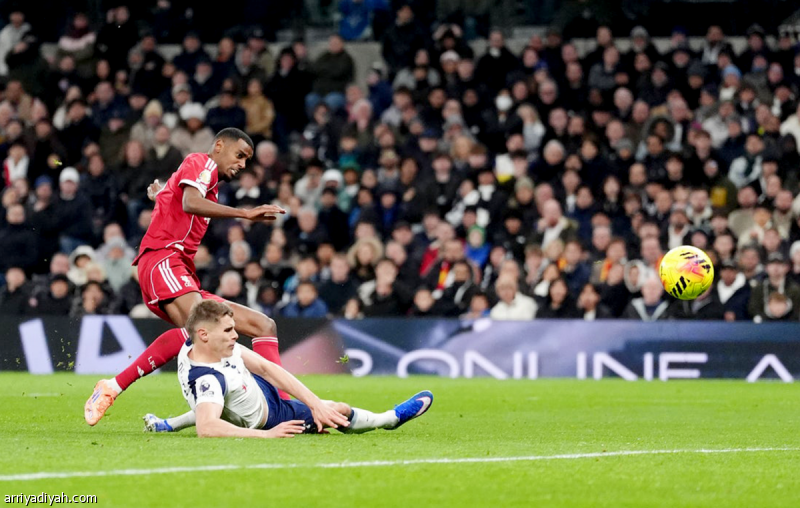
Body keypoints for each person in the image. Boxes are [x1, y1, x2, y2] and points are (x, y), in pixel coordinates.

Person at [84, 128, 288, 427]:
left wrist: (162, 194)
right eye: (239, 155)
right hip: (163, 260)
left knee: (262, 325)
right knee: (201, 327)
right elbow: (189, 202)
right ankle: (112, 387)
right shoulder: (201, 162)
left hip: (179, 268)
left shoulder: (208, 187)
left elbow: (181, 200)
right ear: (219, 146)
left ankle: (284, 406)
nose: (243, 164)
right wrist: (244, 214)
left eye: (247, 160)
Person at [143, 300, 433, 436]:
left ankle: (169, 424)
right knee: (338, 410)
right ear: (204, 334)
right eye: (229, 330)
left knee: (313, 404)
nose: (236, 335)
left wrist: (314, 402)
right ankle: (388, 419)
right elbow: (207, 427)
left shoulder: (200, 347)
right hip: (272, 416)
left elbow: (268, 369)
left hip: (255, 387)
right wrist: (267, 435)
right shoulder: (209, 379)